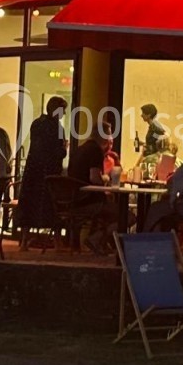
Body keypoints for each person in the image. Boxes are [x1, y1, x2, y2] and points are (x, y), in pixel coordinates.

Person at [15, 96, 69, 248]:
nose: (64, 113)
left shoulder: (36, 124)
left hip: (33, 171)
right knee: (52, 206)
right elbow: (59, 153)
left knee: (29, 205)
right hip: (50, 173)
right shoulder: (58, 128)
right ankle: (57, 243)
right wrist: (65, 148)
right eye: (63, 110)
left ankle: (24, 241)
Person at [67, 130, 117, 254]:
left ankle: (96, 240)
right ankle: (95, 239)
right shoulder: (95, 150)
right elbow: (94, 178)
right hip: (89, 202)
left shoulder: (78, 150)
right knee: (127, 216)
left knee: (109, 209)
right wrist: (105, 179)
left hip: (73, 200)